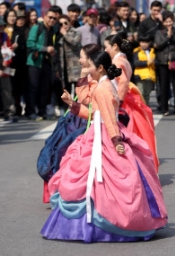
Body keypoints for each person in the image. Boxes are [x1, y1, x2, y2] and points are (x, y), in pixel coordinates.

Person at [41, 50, 167, 242]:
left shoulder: (103, 88)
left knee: (98, 179)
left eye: (89, 65)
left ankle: (101, 225)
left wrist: (116, 141)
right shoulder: (105, 85)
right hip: (101, 132)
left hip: (104, 135)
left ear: (99, 68)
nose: (87, 68)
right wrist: (72, 105)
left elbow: (107, 118)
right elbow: (94, 112)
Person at [105, 33, 159, 172]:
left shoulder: (118, 62)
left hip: (123, 102)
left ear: (115, 46)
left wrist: (119, 101)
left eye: (107, 47)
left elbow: (122, 82)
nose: (105, 50)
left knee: (125, 139)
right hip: (127, 101)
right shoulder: (124, 59)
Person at [26, 9, 58, 121]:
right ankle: (30, 112)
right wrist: (45, 49)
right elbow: (30, 43)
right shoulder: (37, 27)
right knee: (33, 87)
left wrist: (53, 51)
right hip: (35, 62)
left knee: (44, 88)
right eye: (50, 17)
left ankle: (42, 111)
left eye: (54, 18)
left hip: (47, 62)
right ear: (44, 16)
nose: (52, 20)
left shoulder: (53, 30)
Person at [154, 12, 175, 116]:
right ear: (163, 22)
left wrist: (172, 36)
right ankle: (164, 108)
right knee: (164, 86)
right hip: (163, 61)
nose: (168, 23)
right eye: (166, 21)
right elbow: (159, 45)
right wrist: (167, 37)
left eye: (170, 21)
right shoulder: (159, 32)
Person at [53, 15, 82, 111]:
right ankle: (66, 109)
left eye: (66, 23)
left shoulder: (76, 32)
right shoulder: (58, 34)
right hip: (63, 66)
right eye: (61, 24)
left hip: (75, 66)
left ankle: (79, 110)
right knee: (66, 90)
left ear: (70, 22)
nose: (64, 25)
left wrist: (65, 34)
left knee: (78, 90)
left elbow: (75, 43)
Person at [0, 18, 16, 121]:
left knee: (7, 91)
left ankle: (9, 112)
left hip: (4, 69)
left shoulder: (5, 37)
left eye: (2, 26)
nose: (1, 28)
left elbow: (10, 51)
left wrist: (6, 63)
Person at [133, 36, 156, 106]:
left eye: (146, 42)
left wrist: (153, 63)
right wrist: (147, 62)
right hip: (140, 75)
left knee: (147, 94)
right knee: (141, 93)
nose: (144, 44)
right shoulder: (137, 51)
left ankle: (146, 108)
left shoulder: (152, 51)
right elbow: (136, 62)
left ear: (150, 43)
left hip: (150, 75)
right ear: (139, 43)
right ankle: (141, 108)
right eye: (142, 42)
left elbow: (156, 62)